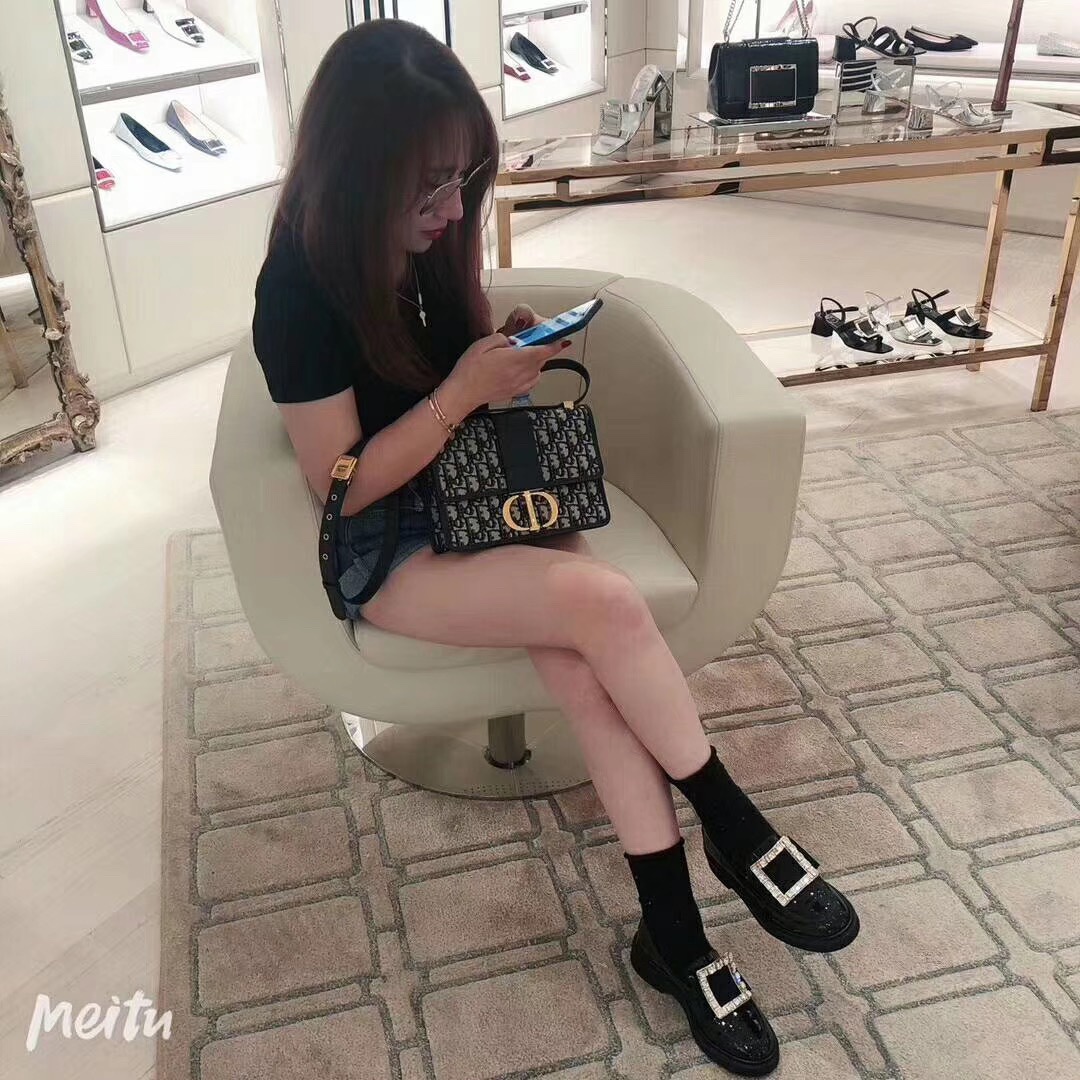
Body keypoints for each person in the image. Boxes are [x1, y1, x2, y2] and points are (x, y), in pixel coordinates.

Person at [252, 20, 858, 1076]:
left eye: (461, 181)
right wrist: (458, 393)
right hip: (390, 550)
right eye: (430, 188)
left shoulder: (427, 245)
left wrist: (499, 352)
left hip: (483, 495)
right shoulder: (297, 290)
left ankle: (674, 938)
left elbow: (451, 373)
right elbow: (340, 485)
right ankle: (737, 826)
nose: (453, 211)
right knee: (607, 605)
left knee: (587, 677)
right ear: (358, 174)